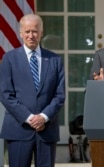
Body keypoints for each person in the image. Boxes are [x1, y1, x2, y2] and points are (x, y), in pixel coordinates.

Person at [0, 14, 65, 167]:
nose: (31, 35)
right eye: (27, 31)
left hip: (47, 130)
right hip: (19, 129)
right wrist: (30, 118)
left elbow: (59, 95)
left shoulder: (55, 60)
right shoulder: (9, 59)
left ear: (41, 32)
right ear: (20, 33)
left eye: (35, 31)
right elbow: (5, 94)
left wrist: (43, 117)